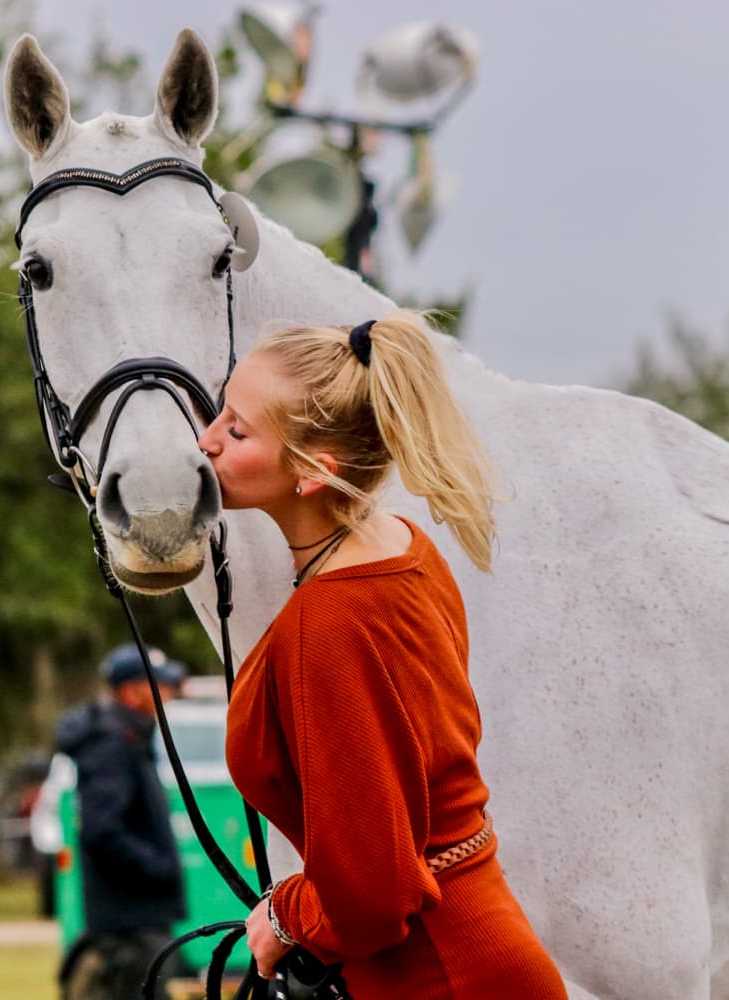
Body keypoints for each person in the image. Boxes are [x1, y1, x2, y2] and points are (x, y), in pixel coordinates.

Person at [196, 311, 567, 998]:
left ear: (314, 472)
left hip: (439, 977)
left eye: (237, 431)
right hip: (478, 955)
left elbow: (372, 896)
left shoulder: (330, 620)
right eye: (220, 413)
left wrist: (284, 915)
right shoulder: (403, 547)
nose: (206, 440)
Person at [54, 644, 186, 1000]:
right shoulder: (112, 744)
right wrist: (158, 867)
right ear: (131, 692)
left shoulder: (131, 737)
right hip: (130, 922)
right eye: (158, 684)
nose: (168, 693)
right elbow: (101, 829)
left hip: (138, 918)